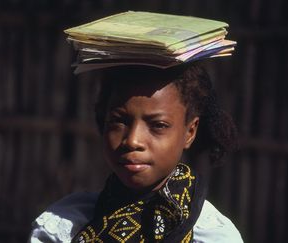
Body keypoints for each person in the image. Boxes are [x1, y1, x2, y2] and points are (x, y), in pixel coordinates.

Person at [28, 64, 243, 242]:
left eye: (158, 125)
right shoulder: (65, 224)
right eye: (119, 121)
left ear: (190, 132)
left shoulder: (212, 235)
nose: (132, 140)